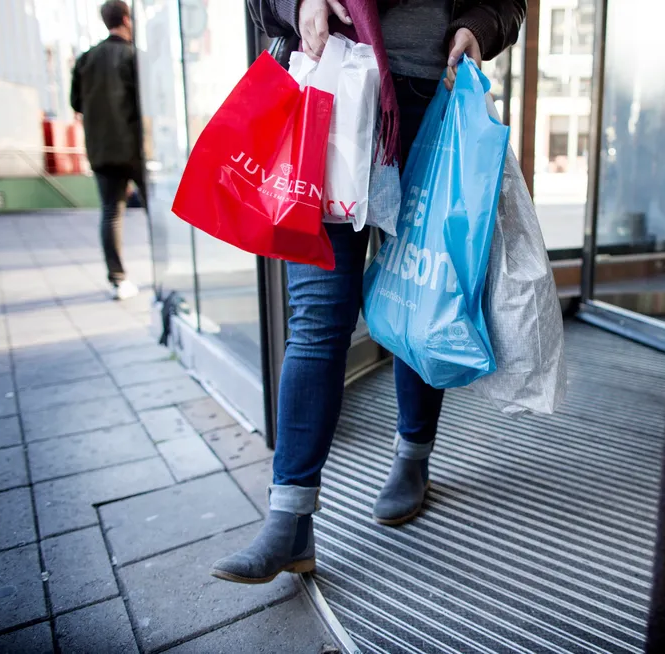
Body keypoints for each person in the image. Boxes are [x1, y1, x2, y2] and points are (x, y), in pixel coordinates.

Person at [211, 0, 525, 584]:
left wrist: (477, 27)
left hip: (429, 102)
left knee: (418, 293)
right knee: (316, 320)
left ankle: (413, 456)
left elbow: (506, 2)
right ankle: (290, 518)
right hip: (328, 95)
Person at [70, 0, 145, 301]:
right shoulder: (132, 56)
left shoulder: (86, 59)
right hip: (136, 148)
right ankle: (171, 274)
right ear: (126, 19)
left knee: (111, 213)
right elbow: (149, 102)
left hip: (101, 149)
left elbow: (76, 103)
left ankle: (118, 279)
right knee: (160, 210)